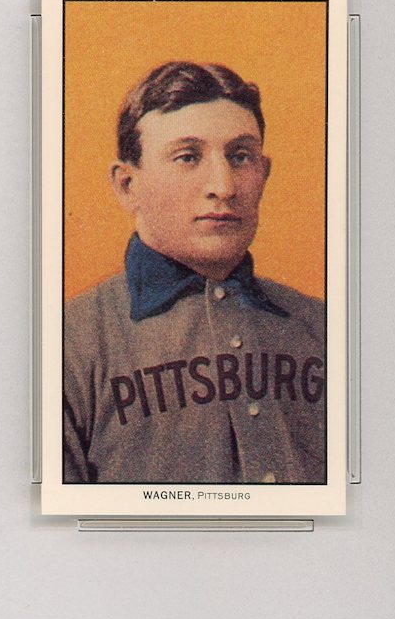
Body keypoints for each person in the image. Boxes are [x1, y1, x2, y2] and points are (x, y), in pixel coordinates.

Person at [63, 61, 325, 485]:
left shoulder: (325, 328)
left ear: (264, 174)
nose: (224, 186)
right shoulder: (67, 346)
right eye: (188, 157)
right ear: (127, 185)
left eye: (240, 157)